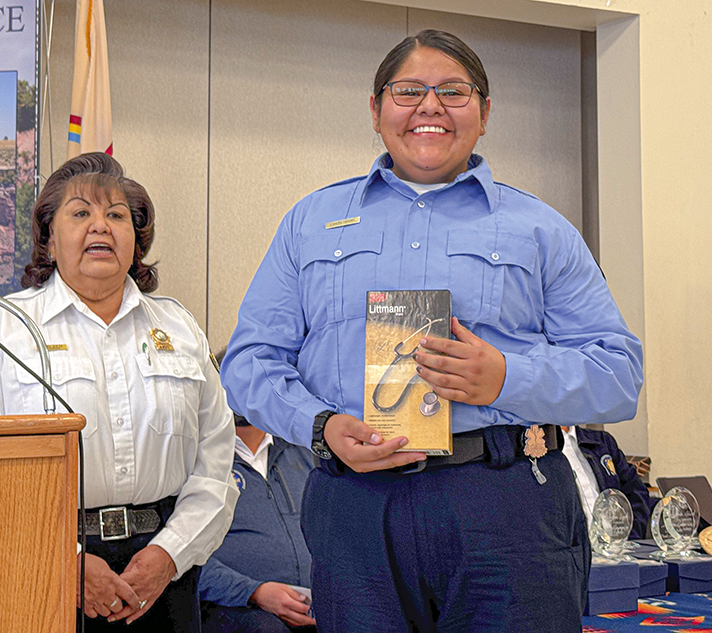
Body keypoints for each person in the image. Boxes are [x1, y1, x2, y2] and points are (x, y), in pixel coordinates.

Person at [220, 29, 643, 632]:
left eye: (453, 91)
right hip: (354, 504)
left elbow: (619, 375)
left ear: (485, 111)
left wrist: (505, 377)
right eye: (408, 90)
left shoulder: (541, 228)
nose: (430, 106)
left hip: (506, 500)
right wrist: (320, 427)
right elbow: (249, 361)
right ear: (375, 109)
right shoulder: (309, 222)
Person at [0, 152, 238, 632]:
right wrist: (68, 560)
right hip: (46, 570)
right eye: (81, 213)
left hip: (165, 575)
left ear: (136, 241)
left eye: (116, 215)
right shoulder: (3, 327)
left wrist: (169, 554)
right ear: (49, 239)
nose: (100, 226)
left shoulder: (179, 326)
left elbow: (216, 461)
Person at [199, 349, 315, 633]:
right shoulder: (195, 461)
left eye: (250, 382)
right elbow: (182, 559)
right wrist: (255, 592)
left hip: (317, 602)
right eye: (229, 381)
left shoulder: (305, 453)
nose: (239, 392)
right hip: (237, 607)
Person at [561, 425, 654, 540]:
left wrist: (630, 537)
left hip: (615, 549)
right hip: (571, 552)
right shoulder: (538, 446)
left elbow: (636, 491)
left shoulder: (602, 441)